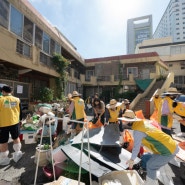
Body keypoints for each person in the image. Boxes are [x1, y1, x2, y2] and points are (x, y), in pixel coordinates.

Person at [118, 109, 179, 185]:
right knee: (147, 158)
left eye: (125, 121)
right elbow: (143, 141)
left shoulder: (138, 131)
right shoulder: (142, 124)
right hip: (169, 145)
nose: (123, 123)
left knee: (151, 165)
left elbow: (136, 147)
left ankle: (151, 183)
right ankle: (153, 176)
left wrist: (132, 160)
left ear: (130, 121)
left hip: (168, 150)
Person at [0, 85, 23, 165]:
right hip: (14, 122)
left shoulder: (1, 99)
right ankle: (17, 154)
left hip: (2, 124)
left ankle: (4, 159)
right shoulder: (17, 99)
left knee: (3, 141)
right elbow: (20, 111)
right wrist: (20, 120)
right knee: (16, 138)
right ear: (11, 92)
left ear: (3, 91)